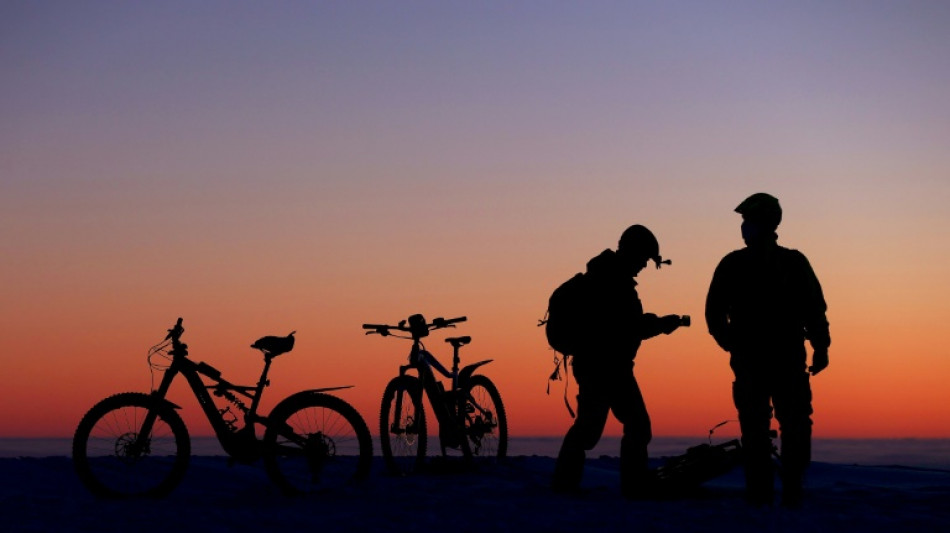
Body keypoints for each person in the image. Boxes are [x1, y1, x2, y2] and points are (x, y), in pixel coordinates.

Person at [705, 193, 830, 508]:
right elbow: (715, 314)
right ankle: (777, 493)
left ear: (761, 224)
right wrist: (820, 347)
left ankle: (779, 493)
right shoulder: (751, 263)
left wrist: (820, 346)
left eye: (747, 221)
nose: (743, 228)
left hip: (777, 360)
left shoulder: (784, 262)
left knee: (782, 424)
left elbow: (814, 309)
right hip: (764, 360)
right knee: (773, 424)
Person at [551, 224, 687, 498]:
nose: (643, 266)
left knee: (600, 428)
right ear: (632, 252)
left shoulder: (606, 276)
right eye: (643, 259)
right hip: (606, 367)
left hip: (604, 366)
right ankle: (631, 486)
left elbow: (626, 324)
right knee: (620, 427)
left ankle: (569, 484)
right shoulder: (612, 281)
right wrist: (662, 324)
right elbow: (628, 325)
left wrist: (657, 324)